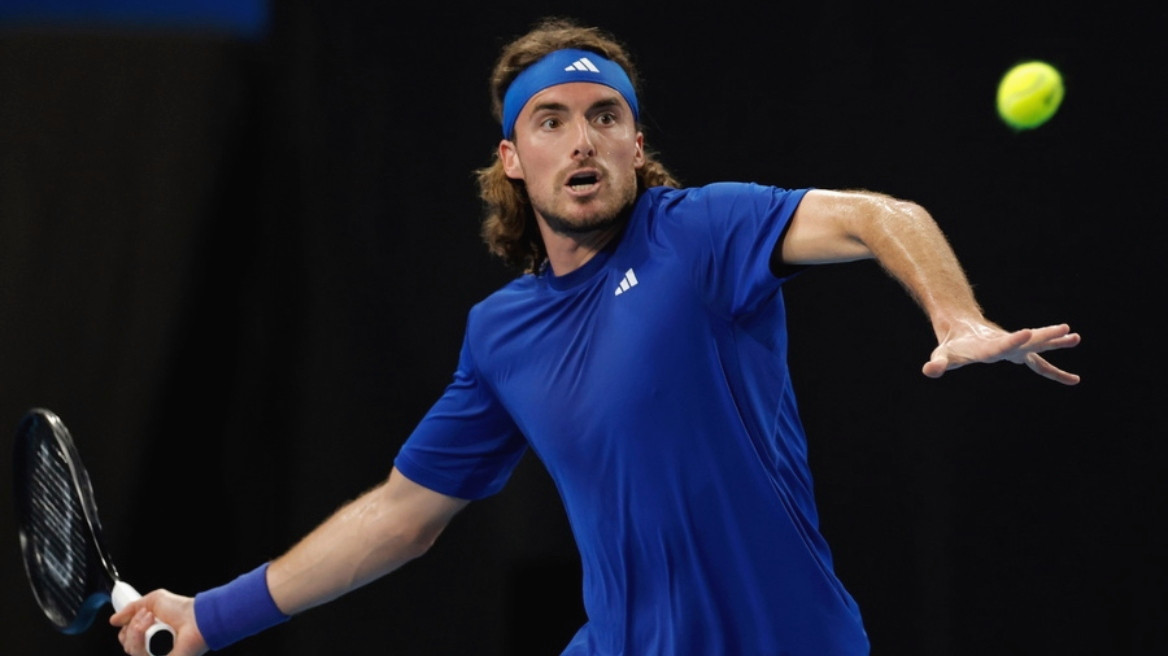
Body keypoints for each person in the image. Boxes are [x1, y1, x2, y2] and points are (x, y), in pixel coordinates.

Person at [111, 16, 1081, 656]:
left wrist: (957, 317)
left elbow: (879, 215)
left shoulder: (701, 233)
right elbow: (401, 516)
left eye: (604, 116)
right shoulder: (500, 335)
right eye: (551, 120)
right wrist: (210, 616)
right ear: (512, 158)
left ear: (635, 145)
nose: (581, 138)